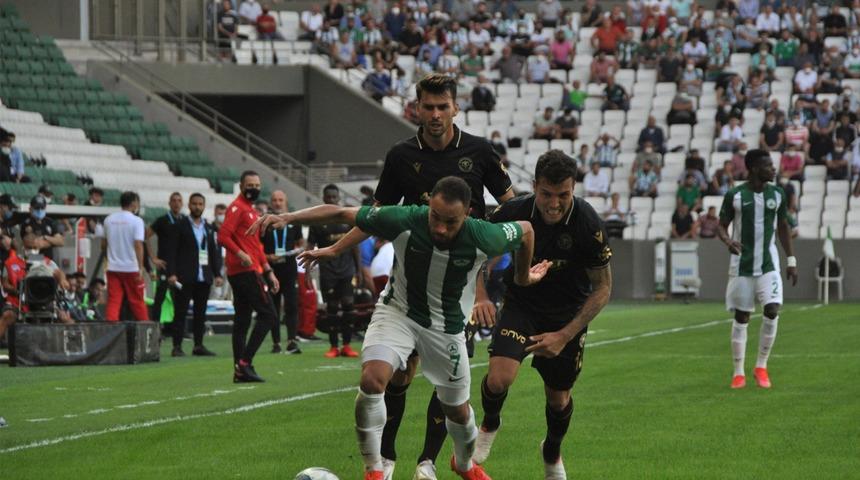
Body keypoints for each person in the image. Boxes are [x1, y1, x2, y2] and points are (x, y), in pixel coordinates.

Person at [249, 176, 547, 480]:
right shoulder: (406, 218)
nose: (440, 227)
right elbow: (342, 213)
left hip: (445, 327)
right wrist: (288, 217)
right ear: (428, 205)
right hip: (397, 313)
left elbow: (527, 230)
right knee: (372, 380)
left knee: (458, 410)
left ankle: (464, 463)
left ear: (467, 214)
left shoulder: (485, 235)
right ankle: (374, 471)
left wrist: (523, 278)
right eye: (435, 217)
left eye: (450, 222)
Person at [297, 73, 514, 479]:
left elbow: (512, 208)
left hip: (462, 289)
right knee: (395, 374)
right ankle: (387, 457)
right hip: (410, 280)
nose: (435, 115)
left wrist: (485, 283)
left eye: (442, 106)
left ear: (455, 107)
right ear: (416, 108)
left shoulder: (480, 153)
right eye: (427, 107)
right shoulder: (400, 156)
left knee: (450, 388)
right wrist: (335, 247)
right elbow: (373, 216)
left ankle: (429, 461)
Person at [472, 151, 613, 478]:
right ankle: (490, 422)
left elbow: (603, 287)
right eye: (546, 194)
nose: (554, 203)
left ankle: (551, 450)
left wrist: (564, 336)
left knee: (558, 399)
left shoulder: (588, 224)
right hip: (523, 304)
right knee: (498, 379)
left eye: (563, 195)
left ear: (573, 188)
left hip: (568, 314)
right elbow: (476, 249)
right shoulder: (514, 211)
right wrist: (480, 295)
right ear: (535, 186)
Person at [717, 149, 798, 389]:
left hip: (768, 263)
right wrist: (727, 240)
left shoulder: (777, 194)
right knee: (742, 317)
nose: (773, 169)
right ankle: (738, 371)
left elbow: (783, 227)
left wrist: (791, 260)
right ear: (753, 169)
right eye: (768, 165)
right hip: (741, 265)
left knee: (772, 310)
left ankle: (761, 366)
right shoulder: (735, 195)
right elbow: (721, 226)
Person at [218, 170, 280, 383]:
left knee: (242, 320)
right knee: (269, 315)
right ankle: (245, 363)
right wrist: (240, 253)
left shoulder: (251, 211)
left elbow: (256, 247)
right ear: (242, 186)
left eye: (257, 185)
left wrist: (269, 271)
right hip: (245, 271)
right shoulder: (237, 208)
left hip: (249, 269)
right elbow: (223, 236)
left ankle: (239, 369)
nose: (254, 188)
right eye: (250, 185)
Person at [163, 193, 222, 357]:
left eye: (200, 204)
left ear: (204, 206)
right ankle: (177, 346)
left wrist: (217, 273)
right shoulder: (179, 225)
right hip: (184, 276)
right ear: (189, 206)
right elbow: (171, 251)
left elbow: (213, 252)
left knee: (200, 313)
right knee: (180, 312)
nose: (197, 207)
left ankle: (198, 345)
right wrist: (172, 273)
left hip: (204, 276)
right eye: (194, 204)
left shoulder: (209, 228)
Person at [308, 184, 362, 359]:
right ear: (324, 199)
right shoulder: (317, 221)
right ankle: (333, 346)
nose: (331, 200)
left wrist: (359, 270)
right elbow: (310, 247)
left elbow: (354, 246)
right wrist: (308, 271)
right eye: (328, 197)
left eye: (334, 197)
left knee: (348, 305)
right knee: (332, 307)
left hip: (347, 270)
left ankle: (346, 345)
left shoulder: (347, 218)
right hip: (327, 270)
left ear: (338, 199)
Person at [261, 190, 304, 354]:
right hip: (271, 270)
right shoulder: (265, 222)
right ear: (271, 203)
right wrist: (267, 256)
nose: (277, 203)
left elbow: (301, 243)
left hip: (289, 268)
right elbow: (257, 248)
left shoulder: (293, 221)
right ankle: (276, 342)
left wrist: (299, 249)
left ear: (285, 202)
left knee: (292, 305)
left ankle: (292, 341)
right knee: (274, 305)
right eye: (274, 200)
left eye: (280, 200)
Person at [102, 191, 148, 322]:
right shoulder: (137, 221)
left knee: (113, 301)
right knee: (137, 301)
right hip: (131, 268)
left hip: (113, 268)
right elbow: (138, 244)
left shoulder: (109, 219)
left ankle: (111, 332)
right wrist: (140, 267)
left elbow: (103, 244)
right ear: (134, 203)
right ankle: (146, 330)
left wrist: (108, 260)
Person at [146, 193, 182, 323]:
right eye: (174, 200)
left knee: (179, 298)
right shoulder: (162, 220)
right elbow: (145, 236)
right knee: (159, 297)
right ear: (169, 203)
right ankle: (155, 327)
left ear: (182, 203)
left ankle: (179, 329)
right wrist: (153, 258)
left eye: (179, 200)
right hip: (164, 265)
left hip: (179, 266)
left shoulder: (184, 220)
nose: (176, 203)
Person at [19, 195, 64, 260]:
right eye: (37, 208)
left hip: (49, 260)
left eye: (42, 208)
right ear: (30, 209)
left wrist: (45, 237)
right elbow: (36, 244)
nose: (40, 210)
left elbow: (61, 241)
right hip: (34, 259)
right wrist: (53, 242)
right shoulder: (27, 223)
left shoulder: (50, 222)